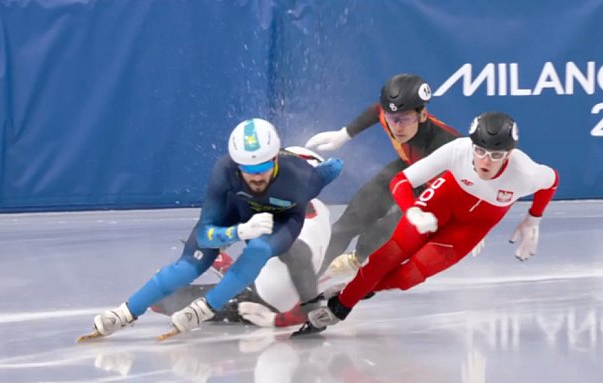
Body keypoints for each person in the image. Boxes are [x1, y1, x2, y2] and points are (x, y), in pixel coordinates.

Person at [296, 111, 559, 335]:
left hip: (472, 227)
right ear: (471, 145)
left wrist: (533, 220)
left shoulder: (525, 173)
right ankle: (338, 310)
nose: (485, 162)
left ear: (509, 154)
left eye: (496, 155)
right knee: (385, 257)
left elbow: (552, 181)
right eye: (479, 151)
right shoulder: (458, 151)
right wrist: (411, 211)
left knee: (408, 277)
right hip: (442, 203)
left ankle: (357, 287)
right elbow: (400, 181)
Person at [83, 118, 343, 340]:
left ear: (276, 159)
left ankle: (207, 307)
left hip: (279, 221)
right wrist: (236, 233)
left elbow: (331, 170)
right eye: (247, 169)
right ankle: (125, 312)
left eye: (263, 167)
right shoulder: (224, 171)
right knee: (187, 266)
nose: (256, 177)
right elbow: (207, 233)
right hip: (237, 213)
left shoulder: (302, 180)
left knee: (259, 250)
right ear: (236, 164)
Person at [150, 147, 344, 328]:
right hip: (275, 284)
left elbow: (299, 254)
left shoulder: (275, 209)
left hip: (263, 299)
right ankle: (229, 269)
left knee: (161, 300)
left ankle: (226, 272)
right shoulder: (321, 210)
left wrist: (299, 313)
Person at [304, 73, 460, 277]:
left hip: (434, 191)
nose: (397, 127)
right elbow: (376, 111)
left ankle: (360, 260)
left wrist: (466, 220)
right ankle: (306, 281)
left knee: (379, 235)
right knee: (347, 224)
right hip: (406, 168)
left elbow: (475, 178)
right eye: (392, 118)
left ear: (423, 115)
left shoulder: (449, 145)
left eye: (405, 118)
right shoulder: (388, 116)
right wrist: (344, 134)